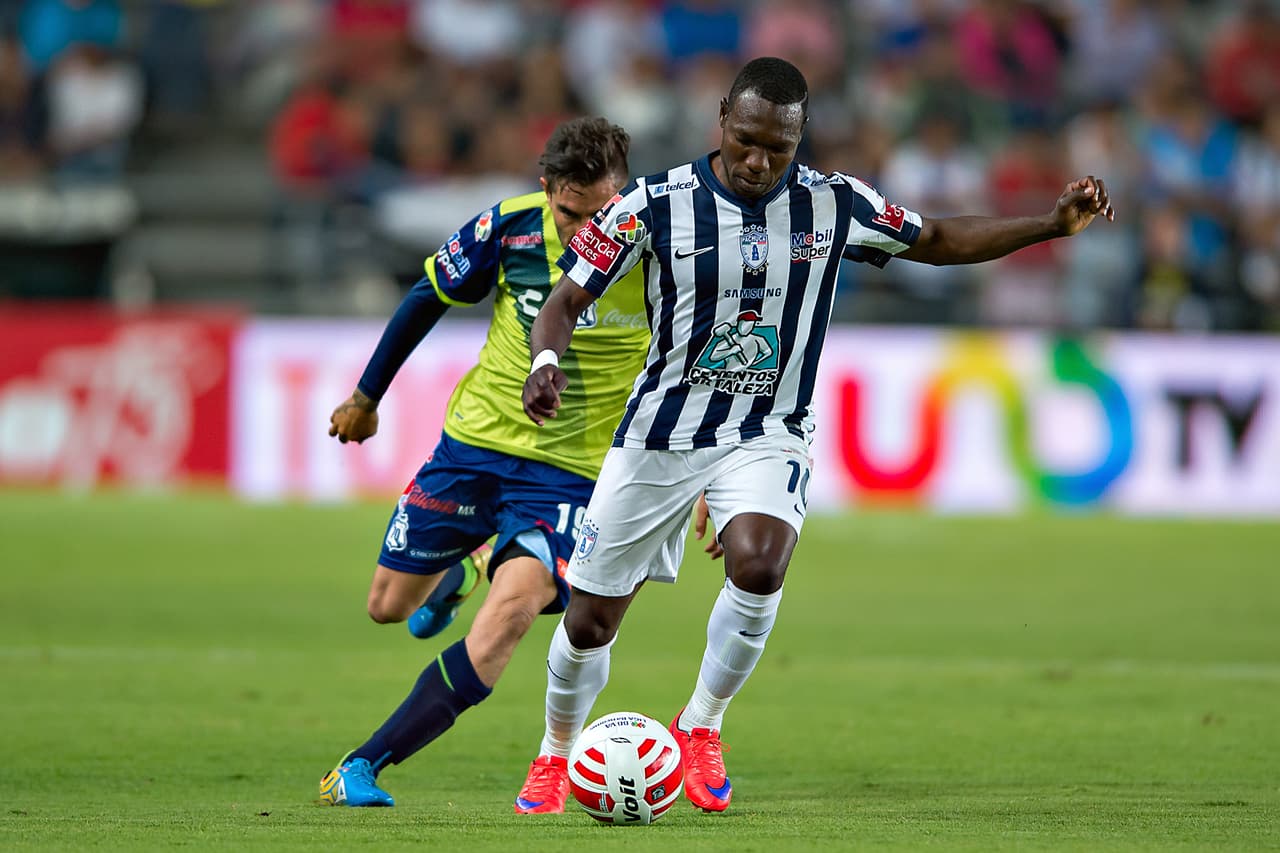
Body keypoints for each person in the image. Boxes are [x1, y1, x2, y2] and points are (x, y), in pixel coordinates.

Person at [518, 56, 1114, 814]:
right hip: (660, 434)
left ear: (800, 139)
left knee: (761, 564)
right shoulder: (651, 204)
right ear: (722, 118)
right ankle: (555, 751)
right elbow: (565, 300)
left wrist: (1049, 225)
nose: (758, 161)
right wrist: (545, 362)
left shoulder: (834, 203)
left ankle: (701, 724)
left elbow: (936, 238)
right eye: (746, 141)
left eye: (779, 147)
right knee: (589, 619)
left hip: (771, 428)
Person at [319, 116, 649, 807]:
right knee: (387, 606)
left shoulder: (656, 244)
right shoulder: (510, 226)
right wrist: (365, 397)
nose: (586, 231)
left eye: (600, 213)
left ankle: (361, 765)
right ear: (546, 189)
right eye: (570, 213)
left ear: (621, 194)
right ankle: (465, 565)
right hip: (475, 447)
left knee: (512, 613)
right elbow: (427, 296)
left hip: (570, 475)